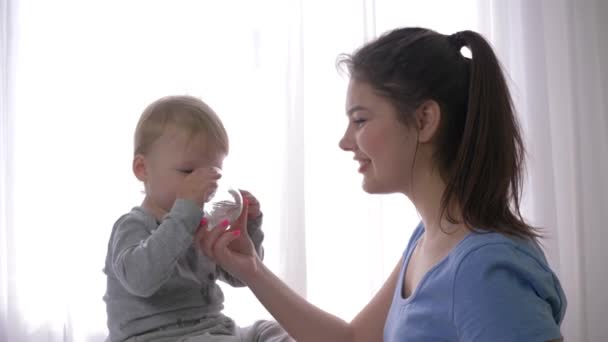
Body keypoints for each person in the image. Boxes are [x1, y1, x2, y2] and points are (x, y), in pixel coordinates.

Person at [197, 27, 567, 341]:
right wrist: (251, 269)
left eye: (360, 120)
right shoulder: (427, 239)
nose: (345, 141)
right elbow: (353, 340)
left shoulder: (484, 269)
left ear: (424, 120)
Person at [102, 95, 292, 342]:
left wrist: (247, 228)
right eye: (188, 171)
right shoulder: (133, 225)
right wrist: (184, 215)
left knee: (271, 330)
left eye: (212, 174)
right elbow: (141, 281)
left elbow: (238, 276)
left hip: (213, 330)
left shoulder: (200, 223)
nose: (203, 184)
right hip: (153, 337)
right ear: (142, 169)